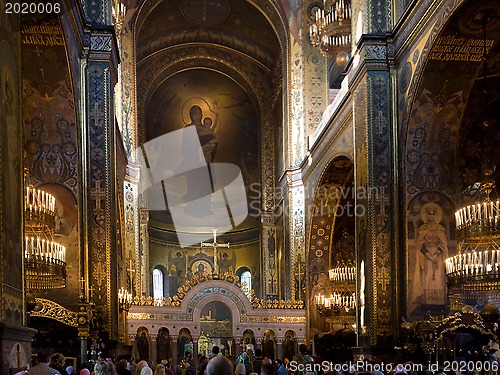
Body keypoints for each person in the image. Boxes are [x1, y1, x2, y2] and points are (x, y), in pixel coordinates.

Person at [413, 202, 449, 305]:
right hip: (426, 257)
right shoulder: (423, 229)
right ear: (426, 215)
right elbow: (420, 244)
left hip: (438, 257)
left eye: (433, 213)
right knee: (428, 277)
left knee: (439, 277)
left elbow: (443, 245)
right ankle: (428, 302)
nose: (431, 216)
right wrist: (428, 255)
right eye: (429, 213)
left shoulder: (440, 229)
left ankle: (439, 302)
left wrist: (436, 254)